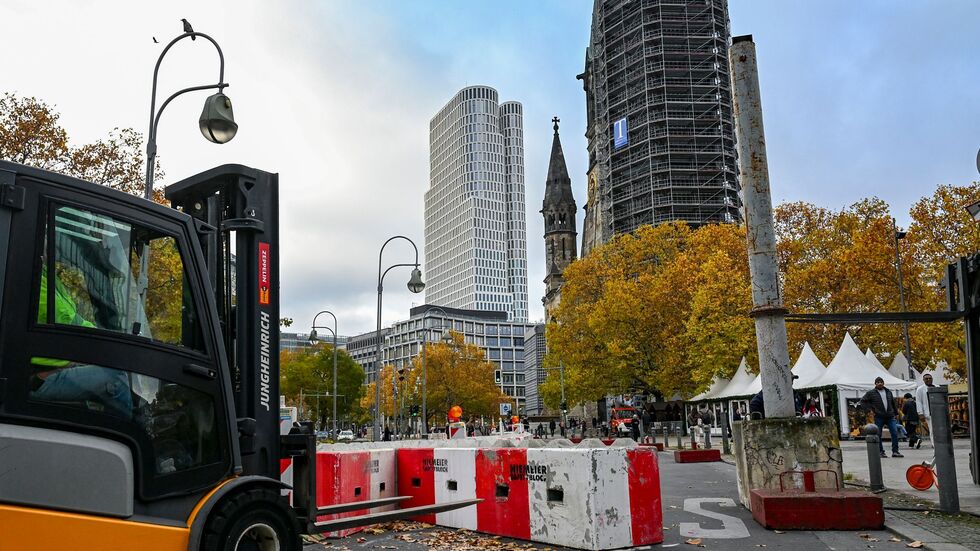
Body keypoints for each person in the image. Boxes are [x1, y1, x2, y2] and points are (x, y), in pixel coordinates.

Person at [860, 376, 903, 458]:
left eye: (881, 382)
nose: (879, 383)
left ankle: (895, 451)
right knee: (878, 434)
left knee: (894, 433)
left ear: (883, 383)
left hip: (890, 416)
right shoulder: (871, 393)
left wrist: (896, 413)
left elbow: (893, 403)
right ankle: (880, 452)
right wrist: (869, 410)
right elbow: (863, 401)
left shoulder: (888, 392)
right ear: (875, 384)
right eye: (878, 382)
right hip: (879, 416)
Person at [915, 373, 936, 449]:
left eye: (930, 378)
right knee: (932, 429)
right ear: (923, 380)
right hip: (928, 412)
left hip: (938, 412)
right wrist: (920, 413)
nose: (928, 380)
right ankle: (934, 444)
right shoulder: (920, 389)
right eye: (926, 379)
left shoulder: (937, 387)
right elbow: (918, 401)